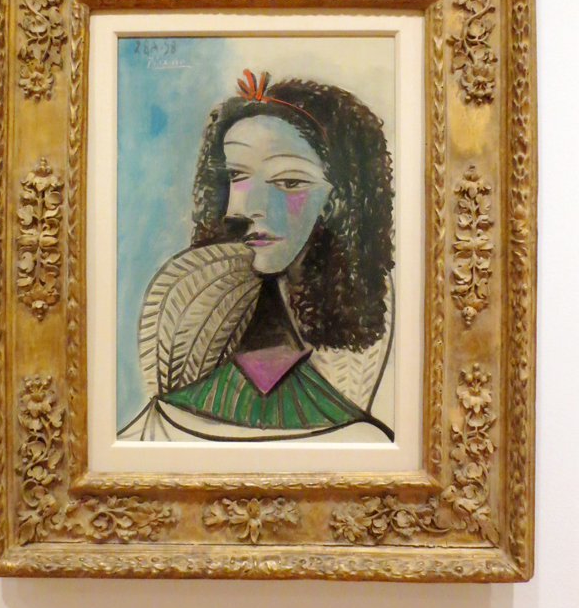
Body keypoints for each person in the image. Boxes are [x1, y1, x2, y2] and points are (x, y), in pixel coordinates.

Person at [119, 70, 395, 442]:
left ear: (338, 200)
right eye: (237, 176)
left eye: (289, 182)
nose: (247, 207)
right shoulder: (202, 334)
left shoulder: (371, 316)